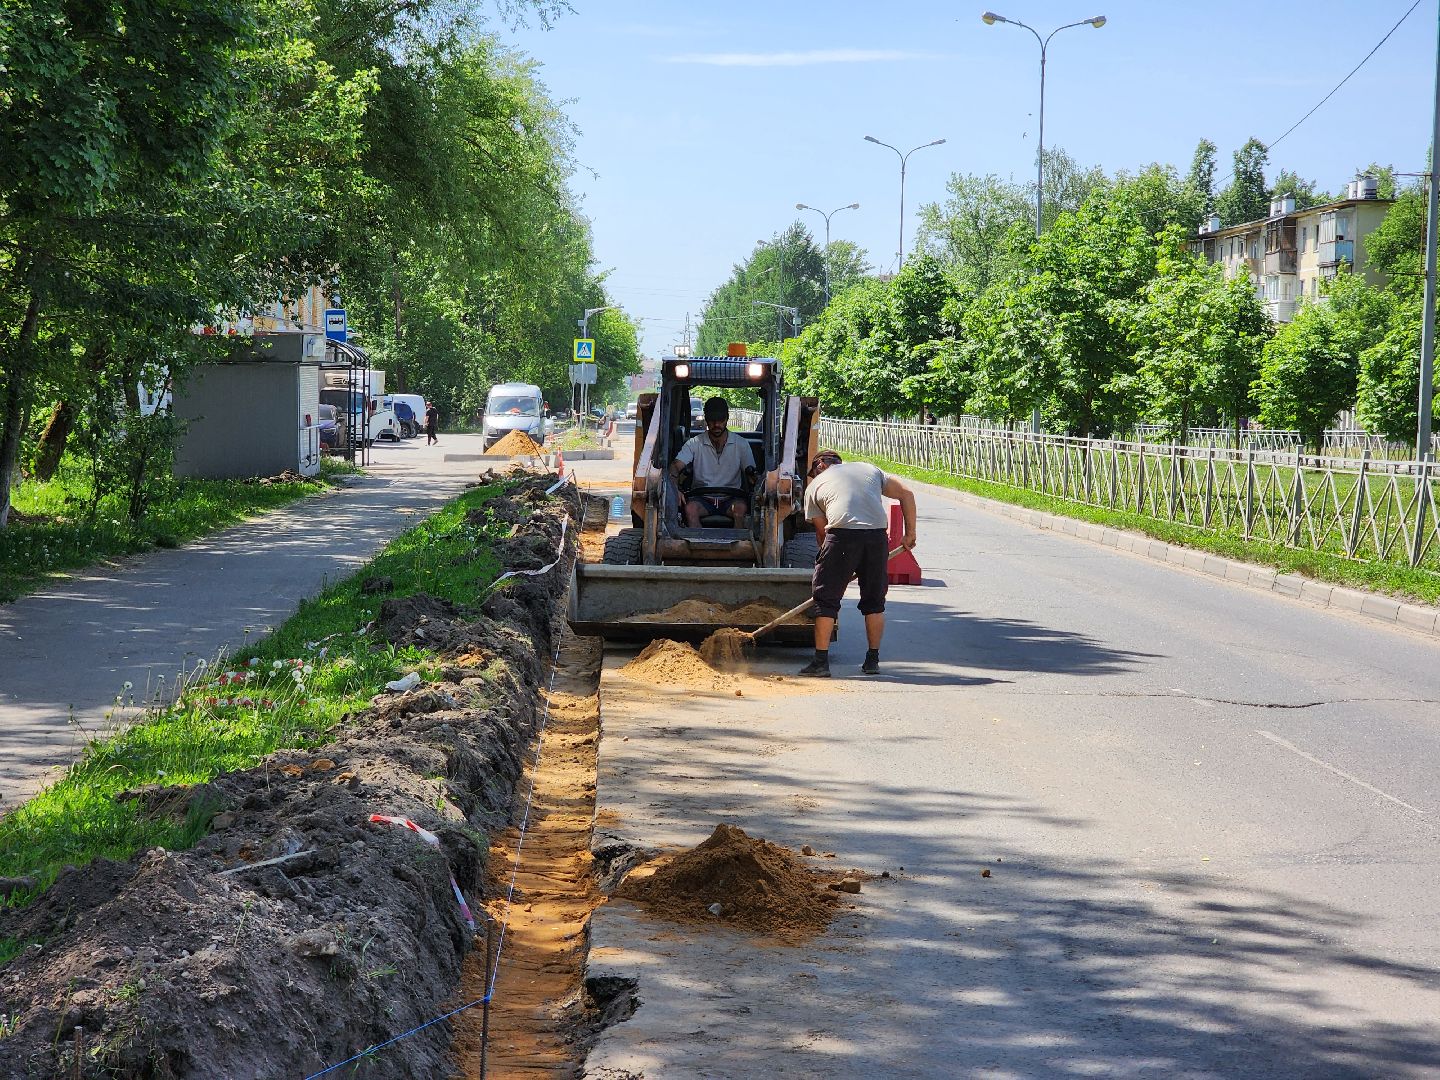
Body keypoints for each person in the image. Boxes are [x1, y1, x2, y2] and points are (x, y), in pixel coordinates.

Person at [797, 449, 916, 678]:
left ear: (819, 465)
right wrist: (910, 533)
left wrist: (832, 563)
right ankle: (872, 660)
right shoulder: (868, 469)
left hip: (841, 536)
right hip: (876, 537)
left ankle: (820, 663)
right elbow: (906, 493)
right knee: (874, 601)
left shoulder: (814, 486)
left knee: (826, 600)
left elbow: (822, 534)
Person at [668, 396, 757, 527]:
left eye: (720, 421)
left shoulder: (741, 444)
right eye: (712, 421)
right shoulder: (694, 443)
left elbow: (751, 474)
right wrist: (674, 489)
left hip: (731, 498)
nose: (716, 425)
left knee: (740, 509)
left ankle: (738, 539)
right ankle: (696, 539)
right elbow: (675, 466)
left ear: (727, 419)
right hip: (701, 498)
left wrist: (756, 481)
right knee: (690, 509)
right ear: (706, 420)